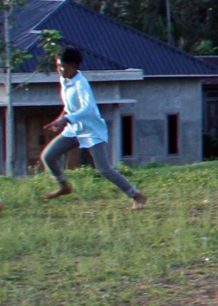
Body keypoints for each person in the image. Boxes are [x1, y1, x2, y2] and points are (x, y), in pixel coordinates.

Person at [40, 46, 147, 209]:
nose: (59, 69)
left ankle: (137, 196)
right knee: (48, 156)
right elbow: (69, 106)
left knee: (104, 169)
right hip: (74, 129)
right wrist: (60, 120)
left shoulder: (81, 84)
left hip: (91, 131)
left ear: (73, 66)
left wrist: (66, 119)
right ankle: (64, 186)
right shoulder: (64, 80)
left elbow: (87, 108)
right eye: (57, 65)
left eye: (62, 66)